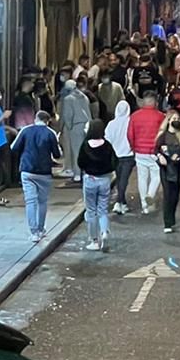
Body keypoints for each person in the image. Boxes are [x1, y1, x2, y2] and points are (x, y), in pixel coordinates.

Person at [12, 110, 62, 242]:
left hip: (27, 170)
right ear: (47, 121)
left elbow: (14, 147)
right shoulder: (51, 133)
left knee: (30, 201)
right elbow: (57, 155)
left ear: (35, 119)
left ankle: (33, 232)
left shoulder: (25, 130)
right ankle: (40, 229)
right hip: (44, 172)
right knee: (42, 202)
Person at [78, 120, 117, 251]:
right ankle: (104, 231)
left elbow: (80, 162)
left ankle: (94, 240)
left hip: (90, 179)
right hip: (104, 180)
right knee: (103, 210)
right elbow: (114, 162)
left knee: (91, 211)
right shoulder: (107, 145)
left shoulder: (85, 145)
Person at [128, 91, 165, 215]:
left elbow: (130, 134)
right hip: (154, 151)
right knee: (157, 176)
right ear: (155, 102)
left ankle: (144, 205)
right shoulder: (160, 116)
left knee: (142, 178)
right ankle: (150, 194)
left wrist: (133, 147)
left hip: (140, 152)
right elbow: (163, 134)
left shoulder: (134, 116)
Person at [155, 111, 180, 233]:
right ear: (168, 120)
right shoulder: (163, 136)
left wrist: (178, 154)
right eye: (173, 118)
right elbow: (156, 149)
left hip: (177, 167)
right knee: (168, 194)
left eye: (177, 118)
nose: (176, 120)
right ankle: (167, 222)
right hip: (166, 168)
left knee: (175, 195)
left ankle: (172, 217)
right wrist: (160, 156)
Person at [103, 98, 135, 215]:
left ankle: (122, 202)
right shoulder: (131, 122)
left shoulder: (111, 124)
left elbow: (107, 139)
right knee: (123, 180)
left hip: (116, 156)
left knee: (120, 178)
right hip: (128, 155)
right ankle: (119, 202)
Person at [58, 79, 92, 184]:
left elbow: (67, 115)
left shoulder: (68, 99)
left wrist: (68, 127)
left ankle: (77, 174)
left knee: (76, 151)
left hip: (75, 125)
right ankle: (86, 172)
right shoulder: (84, 97)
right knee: (85, 150)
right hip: (86, 125)